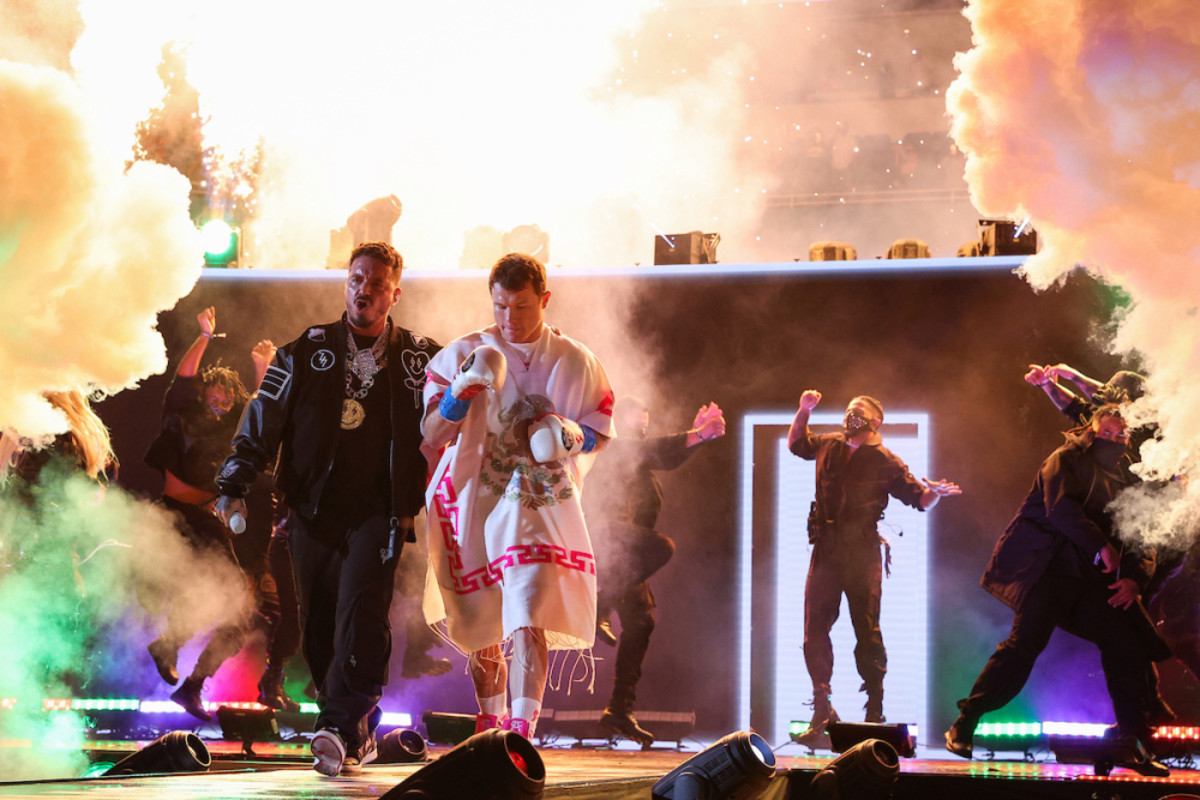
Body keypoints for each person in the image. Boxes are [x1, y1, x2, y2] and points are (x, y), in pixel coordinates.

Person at [214, 241, 438, 777]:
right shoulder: (303, 350)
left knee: (360, 614)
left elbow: (454, 422)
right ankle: (355, 726)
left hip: (380, 513)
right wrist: (234, 480)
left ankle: (338, 724)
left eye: (378, 282)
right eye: (358, 278)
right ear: (347, 283)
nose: (366, 289)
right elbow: (264, 415)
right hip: (311, 512)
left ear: (395, 292)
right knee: (318, 626)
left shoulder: (420, 358)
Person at [422, 252, 616, 740]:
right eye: (500, 307)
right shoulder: (462, 351)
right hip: (473, 496)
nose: (510, 319)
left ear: (545, 300)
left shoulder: (577, 360)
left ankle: (521, 728)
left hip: (538, 497)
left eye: (523, 307)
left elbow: (601, 429)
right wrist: (461, 389)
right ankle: (490, 722)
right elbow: (430, 432)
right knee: (484, 619)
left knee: (530, 607)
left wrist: (571, 434)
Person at [944, 406, 1171, 771]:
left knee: (1126, 645)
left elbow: (1145, 531)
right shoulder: (1064, 459)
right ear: (1091, 430)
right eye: (1107, 433)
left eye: (1121, 434)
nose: (1113, 440)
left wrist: (1134, 579)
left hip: (1090, 581)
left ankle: (1130, 741)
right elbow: (1060, 509)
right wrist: (1101, 544)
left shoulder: (1128, 474)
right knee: (1024, 647)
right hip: (1048, 571)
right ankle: (966, 721)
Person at [787, 391, 960, 746]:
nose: (850, 415)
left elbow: (919, 499)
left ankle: (874, 711)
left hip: (862, 549)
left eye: (858, 412)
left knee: (866, 629)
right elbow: (796, 444)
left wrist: (936, 493)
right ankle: (823, 706)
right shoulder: (829, 444)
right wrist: (804, 410)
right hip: (826, 547)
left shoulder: (885, 460)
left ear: (875, 421)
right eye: (849, 410)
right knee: (813, 629)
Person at [142, 306, 274, 720]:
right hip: (172, 518)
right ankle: (169, 643)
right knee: (194, 591)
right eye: (212, 395)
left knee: (238, 611)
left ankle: (194, 684)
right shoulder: (183, 411)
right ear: (202, 394)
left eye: (225, 398)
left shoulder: (233, 428)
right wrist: (203, 337)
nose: (218, 401)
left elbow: (262, 412)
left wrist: (263, 369)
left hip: (207, 521)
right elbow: (182, 378)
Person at [588, 396, 726, 746]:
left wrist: (699, 439)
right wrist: (697, 434)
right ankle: (599, 604)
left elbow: (662, 456)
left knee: (641, 621)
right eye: (636, 426)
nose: (641, 433)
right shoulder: (609, 448)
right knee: (661, 546)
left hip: (624, 557)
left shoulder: (643, 469)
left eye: (645, 427)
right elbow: (651, 451)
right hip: (602, 539)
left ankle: (619, 709)